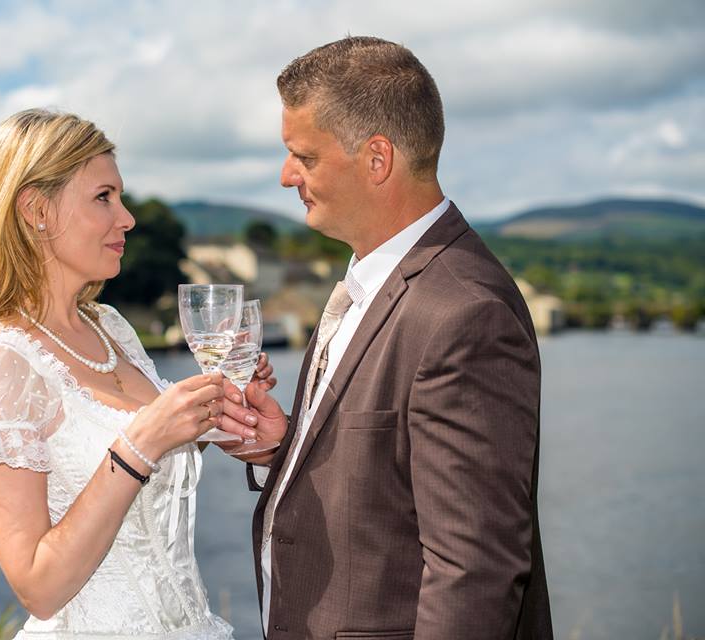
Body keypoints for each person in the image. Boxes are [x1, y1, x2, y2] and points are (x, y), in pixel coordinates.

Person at [219, 37, 553, 639]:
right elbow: (392, 481)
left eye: (305, 157)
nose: (285, 175)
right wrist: (287, 449)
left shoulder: (464, 313)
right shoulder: (371, 281)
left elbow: (474, 572)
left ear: (377, 158)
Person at [0, 108, 274, 639]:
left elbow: (146, 455)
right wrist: (144, 439)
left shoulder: (109, 326)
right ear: (36, 210)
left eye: (120, 196)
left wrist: (221, 418)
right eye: (103, 197)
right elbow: (38, 588)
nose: (127, 218)